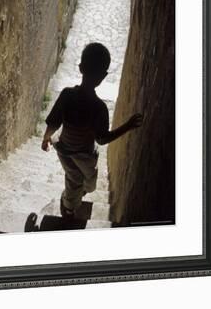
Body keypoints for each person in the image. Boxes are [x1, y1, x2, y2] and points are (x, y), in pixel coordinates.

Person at [41, 42, 142, 219]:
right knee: (77, 182)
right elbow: (102, 139)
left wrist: (46, 137)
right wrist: (127, 126)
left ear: (80, 68)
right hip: (80, 154)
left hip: (68, 150)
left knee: (85, 183)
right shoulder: (99, 108)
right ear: (103, 76)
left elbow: (54, 121)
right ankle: (68, 207)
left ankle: (72, 199)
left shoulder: (67, 95)